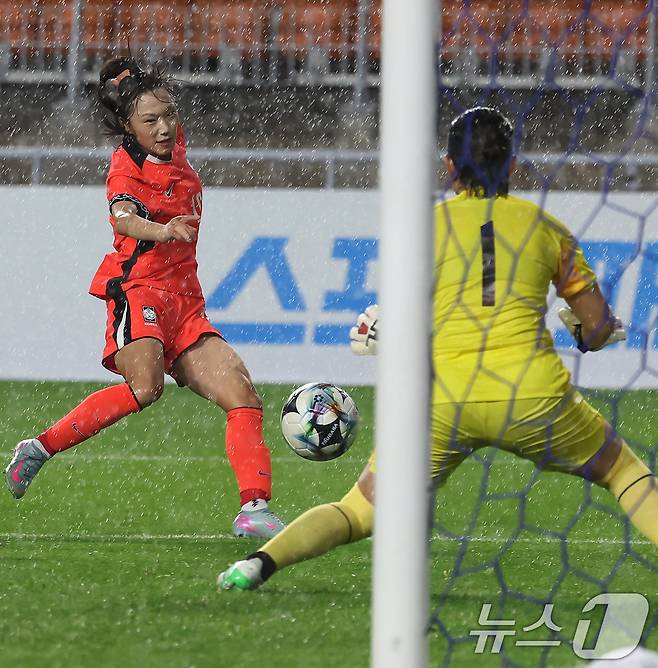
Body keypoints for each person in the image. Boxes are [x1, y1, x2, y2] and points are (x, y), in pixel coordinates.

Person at [218, 106, 658, 589]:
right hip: (531, 395)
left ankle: (258, 564)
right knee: (622, 470)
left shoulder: (423, 228)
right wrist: (586, 333)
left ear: (449, 166)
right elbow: (597, 328)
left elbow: (406, 319)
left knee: (359, 511)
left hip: (444, 401)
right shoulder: (546, 228)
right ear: (513, 164)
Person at [5, 56, 285, 539]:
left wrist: (130, 80)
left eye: (169, 115)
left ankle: (253, 508)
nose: (164, 127)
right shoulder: (125, 169)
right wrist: (163, 230)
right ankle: (39, 448)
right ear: (127, 127)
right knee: (146, 389)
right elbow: (123, 218)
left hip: (187, 302)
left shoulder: (173, 144)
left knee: (243, 395)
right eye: (150, 120)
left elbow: (141, 91)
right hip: (139, 290)